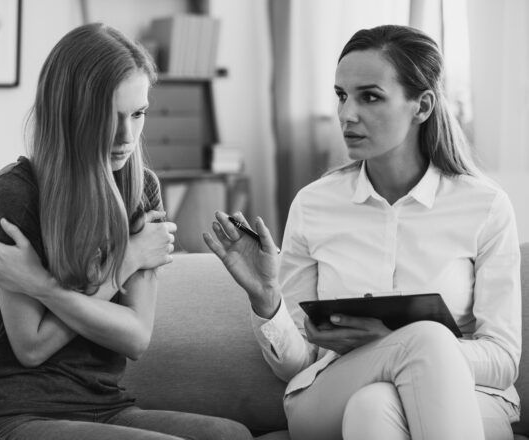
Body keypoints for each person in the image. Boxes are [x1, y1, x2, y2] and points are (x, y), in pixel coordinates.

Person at [203, 24, 521, 440]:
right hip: (328, 395)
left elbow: (502, 360)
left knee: (375, 406)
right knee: (420, 343)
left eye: (369, 96)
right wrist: (266, 298)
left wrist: (394, 343)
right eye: (341, 96)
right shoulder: (315, 204)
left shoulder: (484, 206)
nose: (346, 114)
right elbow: (297, 364)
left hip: (474, 398)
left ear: (422, 105)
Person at [0, 23, 252, 440]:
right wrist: (129, 259)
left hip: (106, 406)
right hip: (16, 414)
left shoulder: (142, 189)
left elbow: (135, 337)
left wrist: (43, 287)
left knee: (232, 436)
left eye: (138, 114)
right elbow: (31, 346)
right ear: (71, 113)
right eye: (108, 116)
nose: (126, 136)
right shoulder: (14, 193)